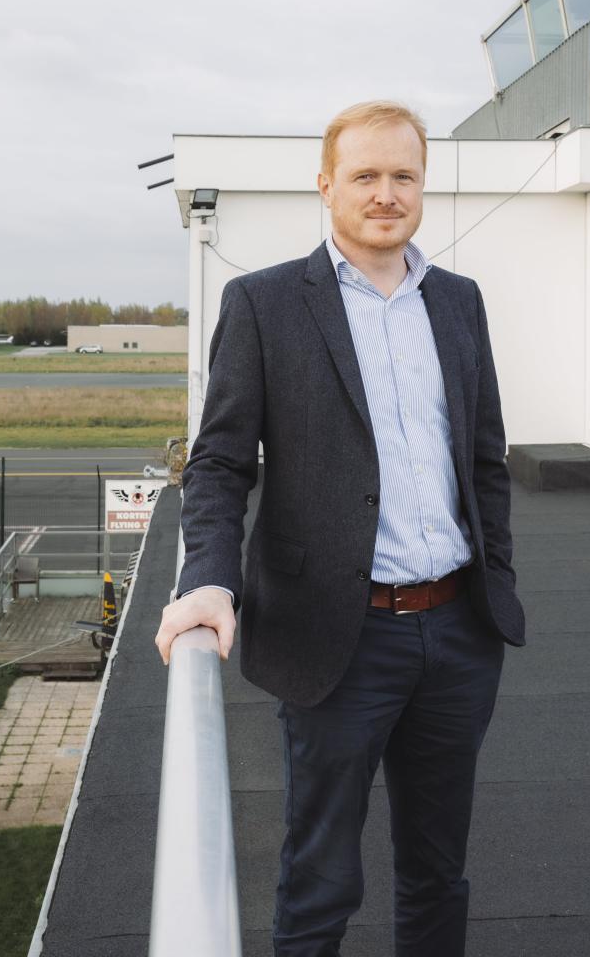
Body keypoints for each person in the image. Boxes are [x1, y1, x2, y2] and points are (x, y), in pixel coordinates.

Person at [154, 100, 526, 957]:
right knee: (321, 878)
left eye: (403, 176)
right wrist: (207, 578)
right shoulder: (265, 304)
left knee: (439, 871)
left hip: (457, 630)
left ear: (422, 186)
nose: (385, 194)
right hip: (337, 638)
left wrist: (495, 573)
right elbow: (217, 464)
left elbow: (484, 459)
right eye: (365, 176)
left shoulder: (459, 304)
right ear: (326, 185)